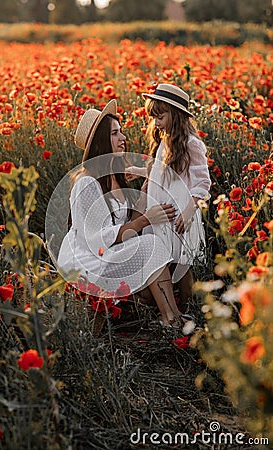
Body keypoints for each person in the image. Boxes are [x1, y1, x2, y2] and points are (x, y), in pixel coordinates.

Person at [56, 99, 193, 329]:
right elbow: (96, 239)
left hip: (110, 252)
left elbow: (124, 226)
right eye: (115, 134)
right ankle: (172, 319)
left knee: (152, 256)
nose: (123, 138)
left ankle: (166, 313)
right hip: (90, 260)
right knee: (150, 245)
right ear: (101, 142)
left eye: (121, 132)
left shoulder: (115, 175)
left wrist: (144, 194)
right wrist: (145, 220)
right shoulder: (87, 183)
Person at [125, 83, 211, 313]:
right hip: (163, 214)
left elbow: (203, 183)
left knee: (183, 266)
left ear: (176, 115)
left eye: (160, 116)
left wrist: (189, 211)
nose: (157, 123)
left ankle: (192, 310)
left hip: (181, 214)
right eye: (154, 118)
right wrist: (140, 171)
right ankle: (176, 309)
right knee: (166, 261)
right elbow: (163, 173)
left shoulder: (192, 145)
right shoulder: (165, 141)